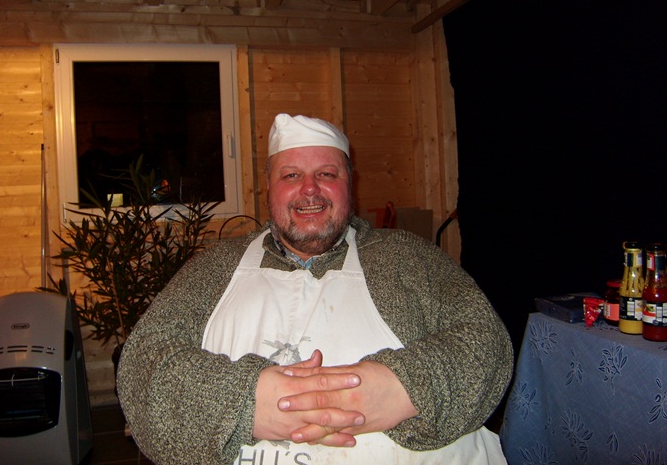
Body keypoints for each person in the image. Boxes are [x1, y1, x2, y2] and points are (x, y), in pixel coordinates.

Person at [117, 113, 514, 465]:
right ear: (268, 187)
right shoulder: (213, 268)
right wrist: (242, 401)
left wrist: (407, 385)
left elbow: (486, 338)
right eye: (291, 175)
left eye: (327, 174)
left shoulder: (409, 257)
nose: (309, 189)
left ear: (350, 185)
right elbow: (142, 363)